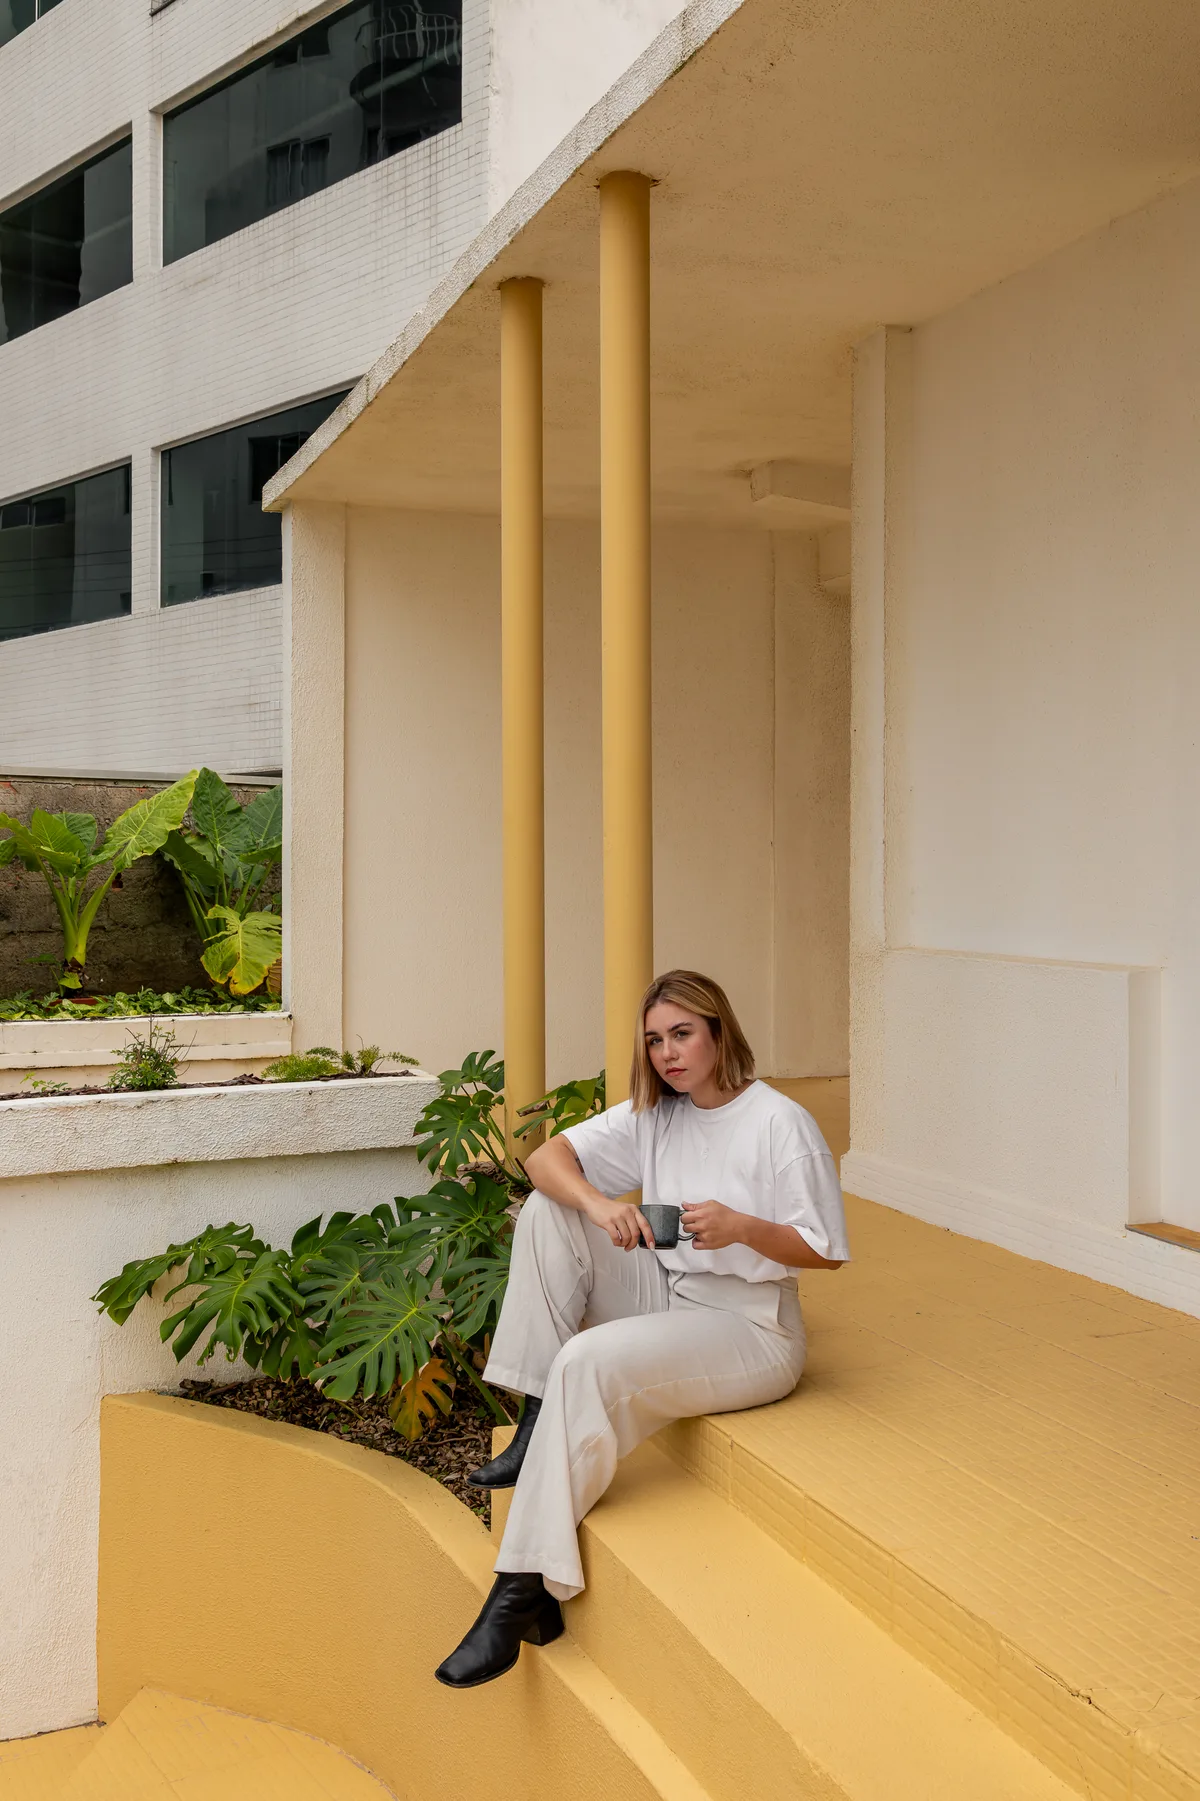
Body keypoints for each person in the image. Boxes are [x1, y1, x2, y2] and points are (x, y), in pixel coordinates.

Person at [434, 968, 850, 1689]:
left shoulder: (780, 1122)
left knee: (589, 1362)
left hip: (751, 1326)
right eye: (655, 1039)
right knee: (550, 1209)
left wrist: (744, 1227)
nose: (667, 1052)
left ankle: (518, 1593)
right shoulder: (659, 1115)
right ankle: (537, 1419)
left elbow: (825, 1249)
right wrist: (600, 1205)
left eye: (683, 1034)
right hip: (669, 1288)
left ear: (720, 1032)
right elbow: (542, 1160)